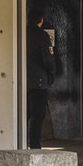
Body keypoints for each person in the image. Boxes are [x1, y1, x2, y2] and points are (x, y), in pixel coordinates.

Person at [27, 11, 57, 149]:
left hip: (22, 81)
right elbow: (48, 58)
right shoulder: (42, 36)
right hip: (38, 81)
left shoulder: (20, 33)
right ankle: (34, 144)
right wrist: (51, 73)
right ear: (41, 20)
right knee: (37, 116)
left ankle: (19, 141)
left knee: (24, 114)